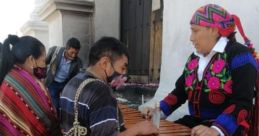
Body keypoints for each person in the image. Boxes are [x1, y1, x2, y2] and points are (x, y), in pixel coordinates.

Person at [143, 4, 258, 136]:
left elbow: (242, 102)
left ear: (214, 30)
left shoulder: (241, 56)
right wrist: (158, 112)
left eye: (195, 31)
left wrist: (216, 130)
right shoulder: (194, 58)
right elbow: (180, 92)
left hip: (228, 129)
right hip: (196, 124)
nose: (191, 38)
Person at [60, 37, 159, 136]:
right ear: (105, 63)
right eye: (122, 68)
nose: (124, 73)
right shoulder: (101, 92)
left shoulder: (71, 83)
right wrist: (137, 129)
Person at [0, 35, 60, 136]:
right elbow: (46, 122)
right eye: (43, 60)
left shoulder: (10, 76)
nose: (45, 65)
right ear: (31, 59)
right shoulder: (27, 83)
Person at [45, 37, 82, 111]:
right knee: (55, 104)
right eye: (72, 52)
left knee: (67, 103)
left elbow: (76, 77)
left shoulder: (78, 62)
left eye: (76, 53)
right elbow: (45, 62)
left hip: (65, 83)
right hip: (53, 82)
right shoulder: (55, 51)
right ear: (66, 48)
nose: (74, 55)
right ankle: (57, 119)